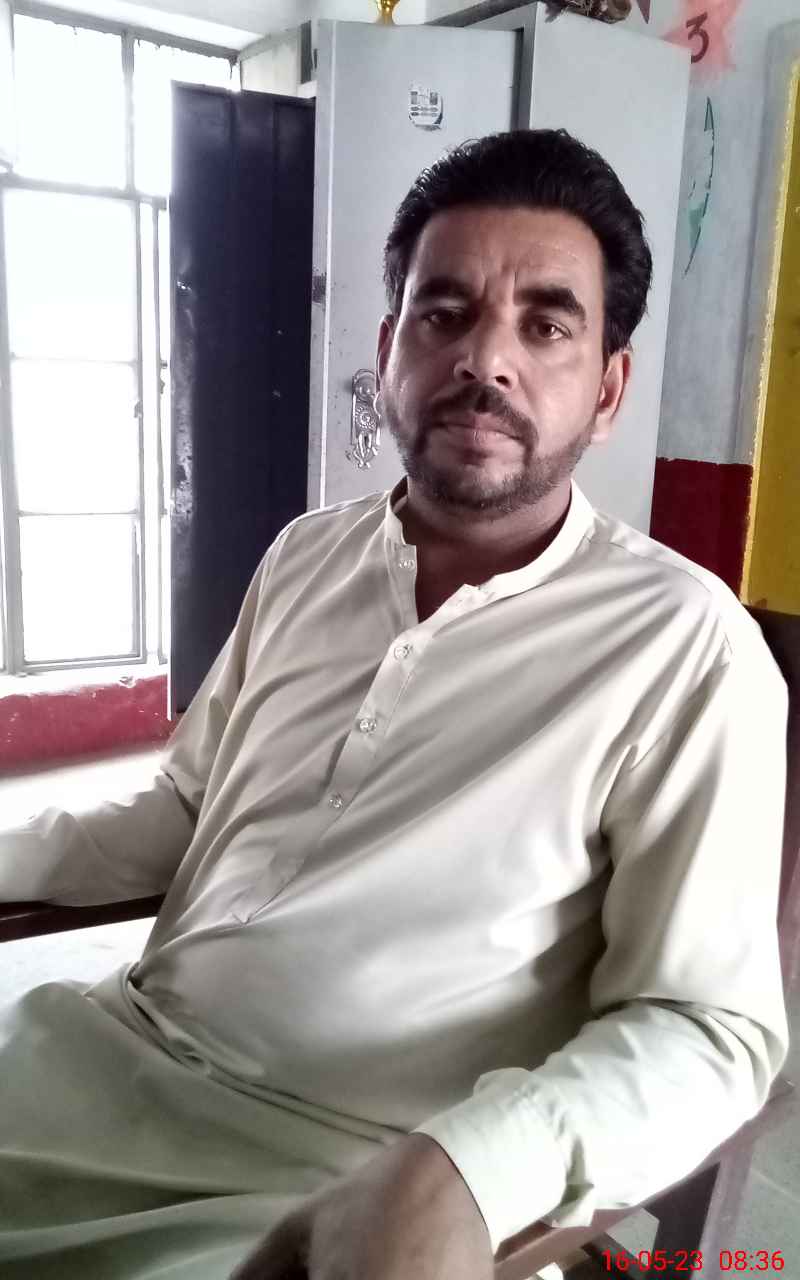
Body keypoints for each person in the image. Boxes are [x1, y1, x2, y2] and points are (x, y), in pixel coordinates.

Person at [0, 129, 788, 1280]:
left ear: (607, 388)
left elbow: (706, 1029)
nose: (485, 359)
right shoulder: (304, 557)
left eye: (546, 325)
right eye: (443, 312)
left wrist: (465, 1171)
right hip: (93, 1059)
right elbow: (183, 809)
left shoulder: (683, 647)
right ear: (388, 351)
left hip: (338, 1182)